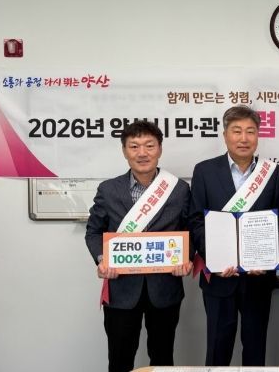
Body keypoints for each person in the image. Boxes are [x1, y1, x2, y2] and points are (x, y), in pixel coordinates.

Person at [85, 120, 193, 372]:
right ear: (124, 151)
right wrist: (102, 258)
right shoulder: (108, 189)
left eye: (149, 145)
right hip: (121, 290)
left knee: (163, 358)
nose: (142, 153)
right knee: (120, 359)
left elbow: (190, 230)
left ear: (160, 149)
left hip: (165, 288)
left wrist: (186, 258)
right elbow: (94, 232)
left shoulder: (178, 189)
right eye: (134, 146)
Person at [189, 105, 279, 366]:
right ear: (225, 135)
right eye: (236, 131)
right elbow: (195, 220)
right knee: (217, 349)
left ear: (258, 136)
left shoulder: (272, 172)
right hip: (219, 278)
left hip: (258, 278)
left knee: (255, 349)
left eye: (250, 131)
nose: (244, 138)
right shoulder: (204, 171)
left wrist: (267, 257)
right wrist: (216, 258)